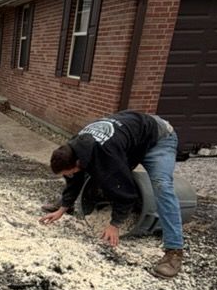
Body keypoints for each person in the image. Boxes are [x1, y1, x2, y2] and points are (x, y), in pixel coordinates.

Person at [39, 110, 184, 278]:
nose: (69, 174)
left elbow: (126, 192)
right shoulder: (74, 146)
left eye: (69, 171)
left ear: (78, 162)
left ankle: (174, 251)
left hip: (158, 138)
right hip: (130, 136)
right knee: (101, 175)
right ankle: (66, 203)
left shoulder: (106, 153)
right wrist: (64, 207)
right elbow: (74, 176)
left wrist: (115, 224)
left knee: (162, 186)